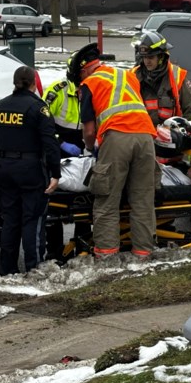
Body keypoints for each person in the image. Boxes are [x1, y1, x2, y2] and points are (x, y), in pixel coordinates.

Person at [73, 42, 160, 258]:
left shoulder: (90, 82)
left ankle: (107, 257)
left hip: (117, 137)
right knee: (142, 200)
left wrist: (89, 147)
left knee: (107, 199)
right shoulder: (127, 76)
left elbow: (90, 130)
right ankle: (143, 254)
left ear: (83, 70)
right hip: (146, 137)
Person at [0, 65, 62, 275]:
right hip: (30, 170)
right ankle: (34, 269)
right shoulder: (38, 108)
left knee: (10, 220)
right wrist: (55, 173)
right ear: (33, 83)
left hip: (5, 169)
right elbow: (50, 143)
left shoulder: (1, 106)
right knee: (32, 219)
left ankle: (8, 269)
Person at [133, 31, 191, 127]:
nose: (146, 61)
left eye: (151, 57)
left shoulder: (177, 76)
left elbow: (189, 108)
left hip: (169, 136)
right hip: (142, 134)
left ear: (161, 57)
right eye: (144, 57)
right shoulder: (133, 76)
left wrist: (181, 131)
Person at [43, 54, 85, 157]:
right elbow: (41, 123)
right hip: (58, 150)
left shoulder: (92, 90)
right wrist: (61, 143)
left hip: (82, 150)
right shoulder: (57, 91)